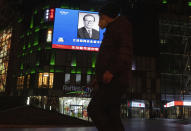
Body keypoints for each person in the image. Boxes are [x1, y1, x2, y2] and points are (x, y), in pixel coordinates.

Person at [87, 2, 133, 131]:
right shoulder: (113, 29)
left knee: (94, 109)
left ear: (107, 16)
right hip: (111, 79)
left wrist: (111, 72)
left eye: (100, 18)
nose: (99, 22)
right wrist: (99, 77)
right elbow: (109, 56)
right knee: (112, 115)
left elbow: (124, 53)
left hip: (115, 80)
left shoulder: (120, 28)